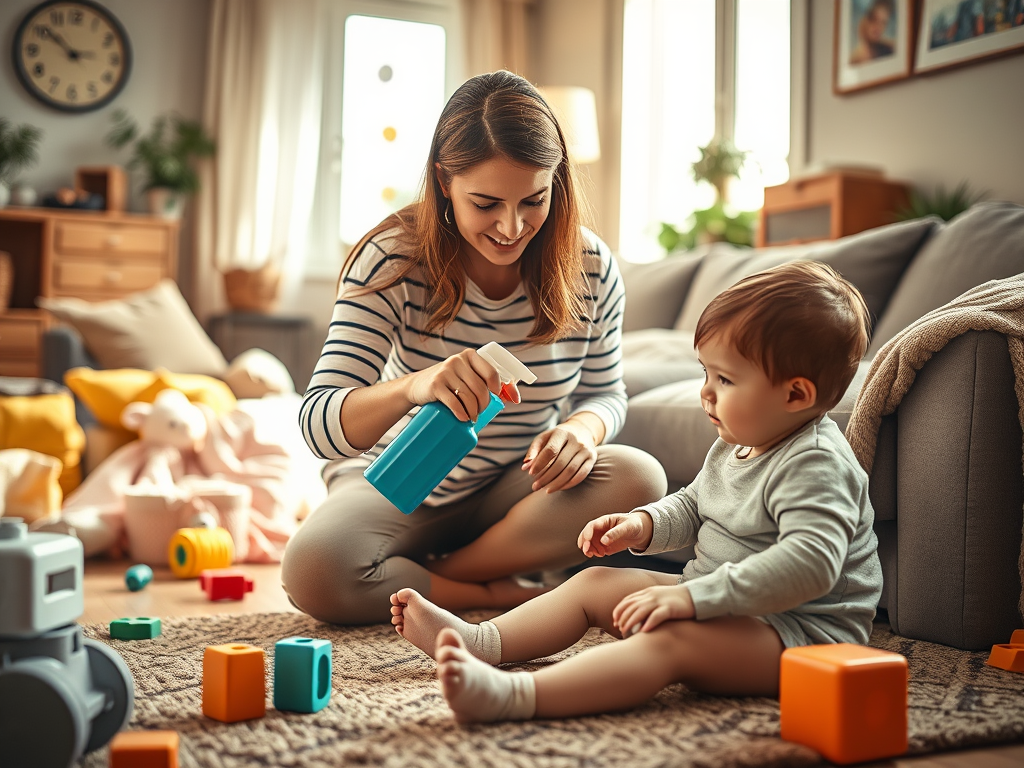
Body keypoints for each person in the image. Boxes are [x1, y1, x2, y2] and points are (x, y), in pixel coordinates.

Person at [390, 261, 884, 723]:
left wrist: (692, 599)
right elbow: (695, 502)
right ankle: (481, 641)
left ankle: (513, 698)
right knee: (594, 582)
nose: (705, 392)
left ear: (796, 395)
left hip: (797, 637)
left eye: (726, 379)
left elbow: (810, 565)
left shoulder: (815, 464)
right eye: (706, 373)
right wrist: (643, 524)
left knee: (668, 643)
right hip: (717, 598)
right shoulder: (740, 442)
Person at [281, 70, 667, 625]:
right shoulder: (392, 261)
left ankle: (442, 574)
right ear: (443, 180)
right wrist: (415, 386)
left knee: (639, 477)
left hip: (518, 490)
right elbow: (318, 425)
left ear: (556, 182)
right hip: (399, 484)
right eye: (485, 203)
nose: (512, 227)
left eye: (533, 200)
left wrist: (582, 431)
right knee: (316, 569)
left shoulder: (592, 267)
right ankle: (498, 593)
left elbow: (606, 393)